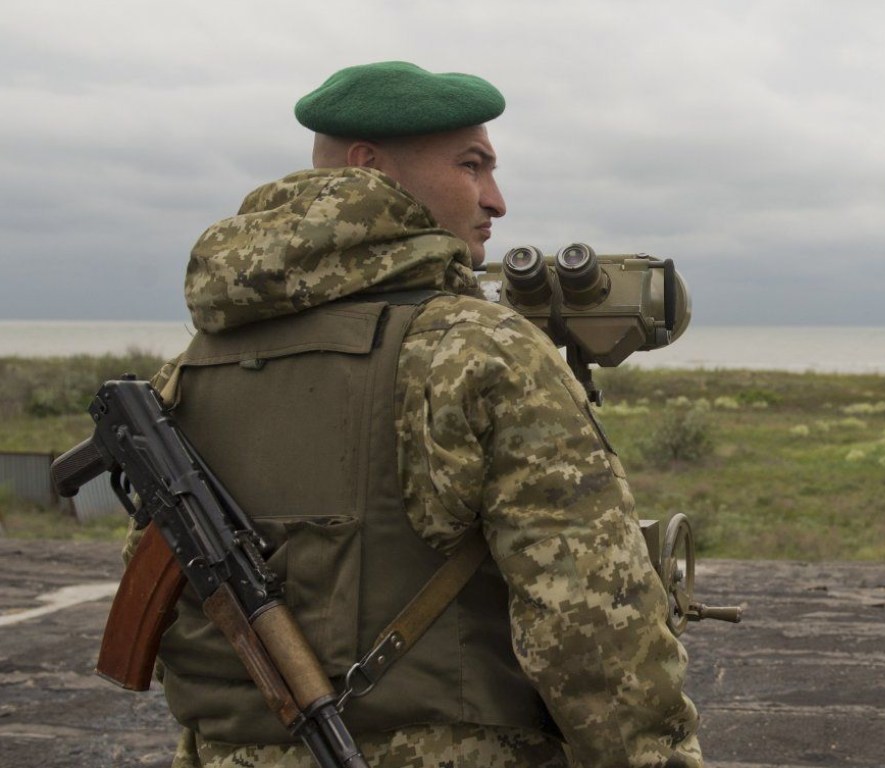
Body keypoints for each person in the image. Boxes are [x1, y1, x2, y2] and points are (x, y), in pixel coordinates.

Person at [139, 61, 703, 768]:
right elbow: (595, 632)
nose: (495, 200)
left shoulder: (190, 370)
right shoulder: (479, 351)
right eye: (472, 166)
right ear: (369, 169)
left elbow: (172, 621)